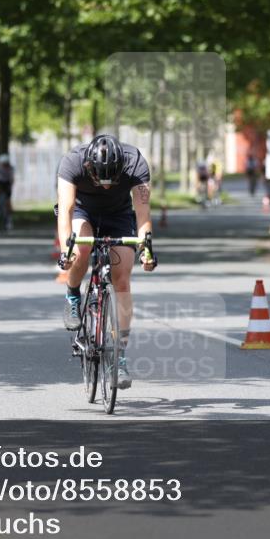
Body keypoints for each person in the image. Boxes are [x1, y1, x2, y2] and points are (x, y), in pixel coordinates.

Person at [56, 134, 157, 389]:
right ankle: (72, 296)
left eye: (112, 179)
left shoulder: (135, 163)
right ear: (89, 167)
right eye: (100, 179)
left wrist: (146, 250)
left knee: (122, 277)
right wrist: (65, 253)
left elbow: (143, 214)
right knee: (80, 249)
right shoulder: (73, 162)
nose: (107, 186)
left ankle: (119, 357)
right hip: (83, 212)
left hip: (119, 214)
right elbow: (66, 210)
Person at [0, 154, 15, 230]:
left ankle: (9, 216)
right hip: (0, 183)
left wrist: (11, 185)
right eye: (3, 163)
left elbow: (12, 178)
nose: (4, 165)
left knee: (8, 200)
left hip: (7, 184)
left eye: (5, 163)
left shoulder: (10, 168)